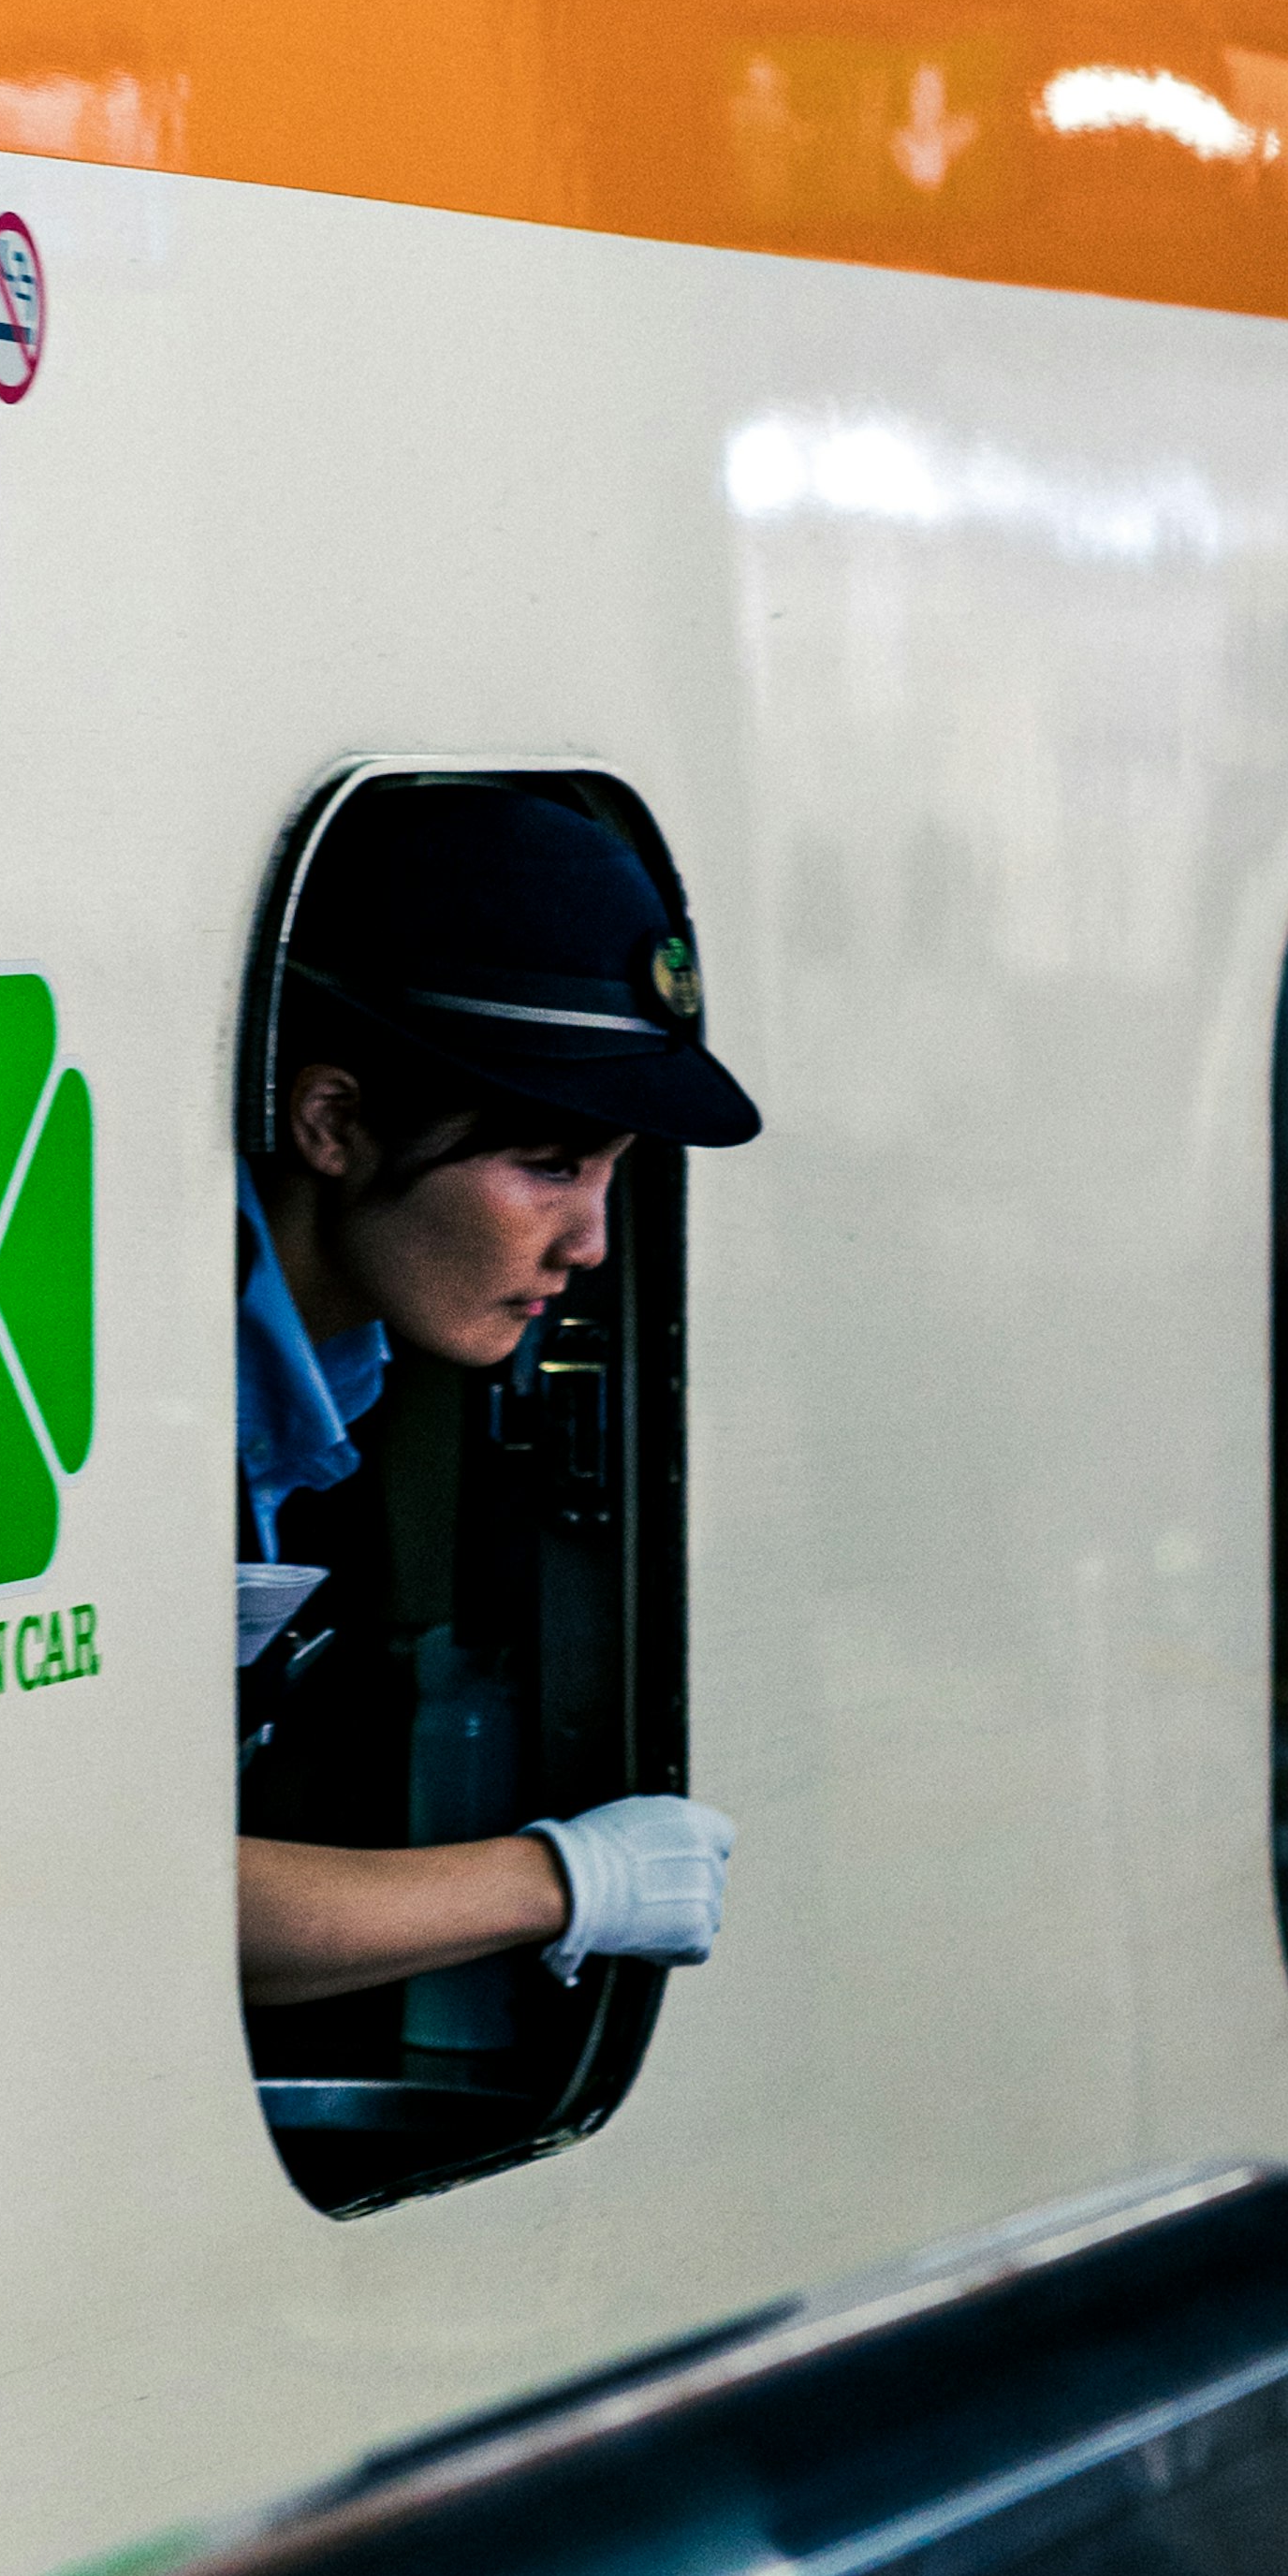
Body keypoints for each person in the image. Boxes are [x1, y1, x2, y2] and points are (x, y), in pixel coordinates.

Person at [236, 783, 761, 2014]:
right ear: (333, 1122)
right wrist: (560, 1883)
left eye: (611, 1173)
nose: (591, 1243)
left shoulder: (322, 1391)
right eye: (546, 1165)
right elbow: (119, 1900)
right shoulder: (146, 1413)